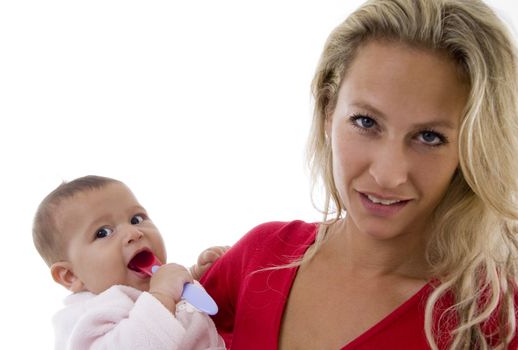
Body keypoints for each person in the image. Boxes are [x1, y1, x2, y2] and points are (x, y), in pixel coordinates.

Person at [200, 0, 518, 349]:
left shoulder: (494, 321)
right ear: (327, 110)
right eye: (366, 122)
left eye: (429, 137)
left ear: (472, 147)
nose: (387, 175)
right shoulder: (259, 258)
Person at [32, 175, 227, 350]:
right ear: (71, 275)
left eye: (136, 219)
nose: (133, 233)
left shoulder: (153, 285)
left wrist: (195, 275)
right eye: (103, 232)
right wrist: (163, 295)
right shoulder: (88, 317)